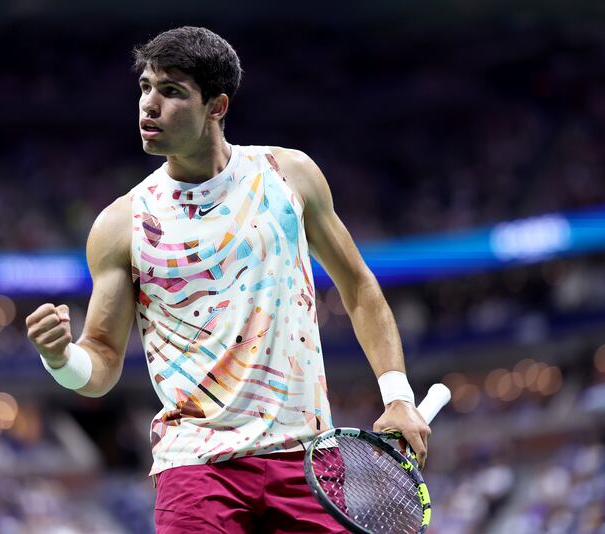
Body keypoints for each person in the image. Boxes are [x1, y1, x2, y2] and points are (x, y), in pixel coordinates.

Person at [26, 26, 430, 533]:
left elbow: (359, 287)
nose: (149, 105)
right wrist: (60, 359)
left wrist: (397, 397)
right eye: (146, 87)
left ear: (217, 106)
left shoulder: (289, 176)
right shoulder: (121, 224)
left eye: (171, 92)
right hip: (195, 466)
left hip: (307, 459)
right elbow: (102, 361)